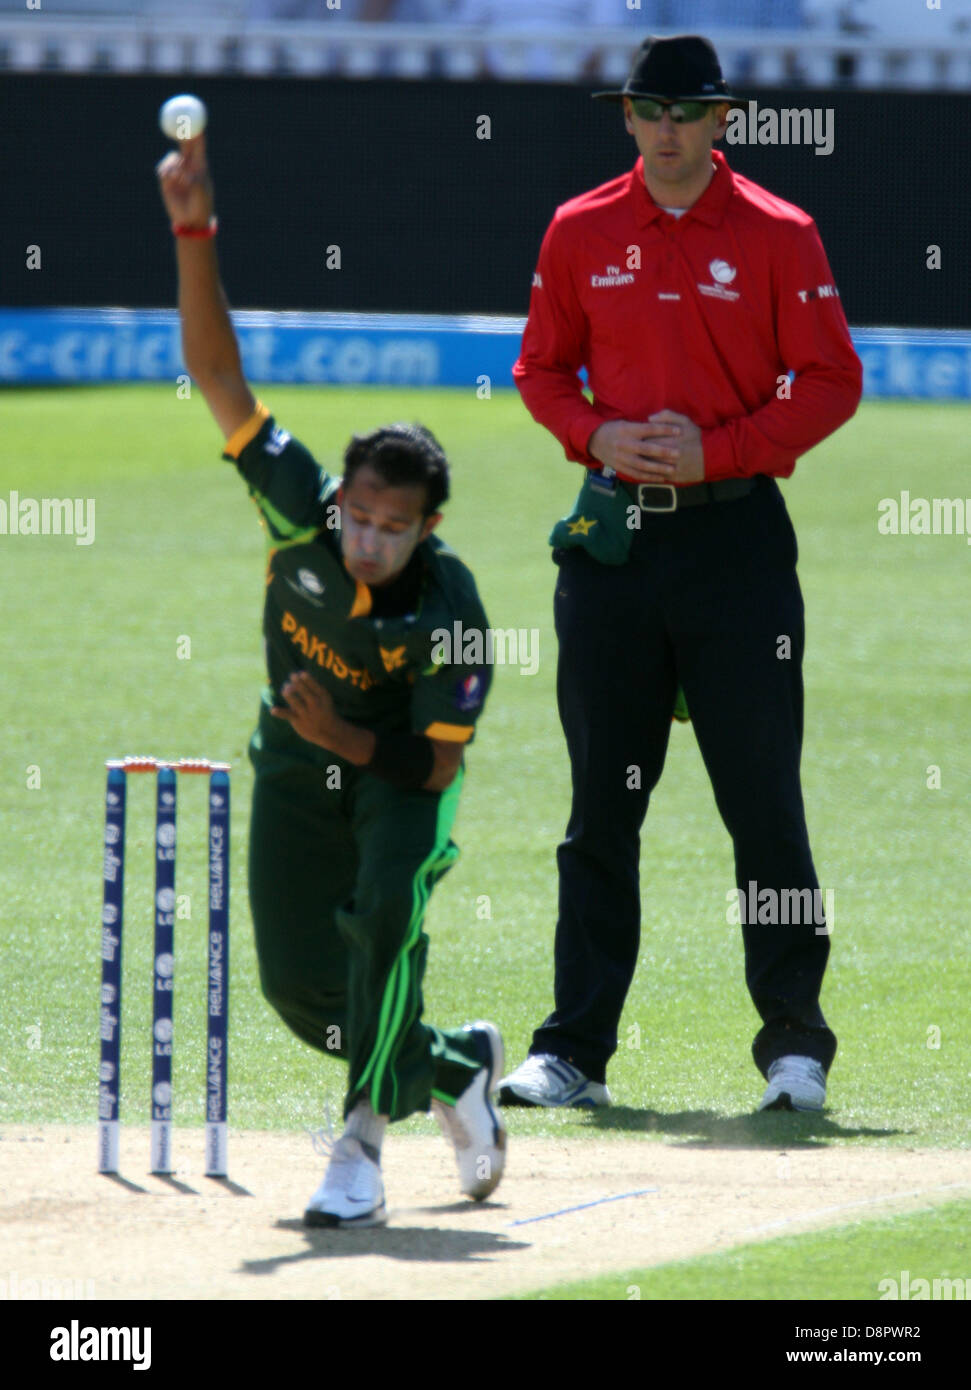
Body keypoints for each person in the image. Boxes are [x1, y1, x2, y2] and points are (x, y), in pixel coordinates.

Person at [499, 34, 863, 1114]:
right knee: (598, 813)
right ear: (625, 116)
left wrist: (723, 449)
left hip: (735, 544)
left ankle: (793, 1047)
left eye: (686, 111)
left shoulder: (777, 233)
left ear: (721, 121)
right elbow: (537, 369)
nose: (666, 128)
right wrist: (596, 436)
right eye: (648, 108)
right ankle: (573, 1052)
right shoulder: (578, 227)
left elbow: (831, 379)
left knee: (761, 804)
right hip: (612, 549)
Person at [155, 130, 505, 1226]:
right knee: (302, 986)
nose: (363, 540)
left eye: (390, 528)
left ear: (427, 528)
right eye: (355, 514)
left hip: (400, 784)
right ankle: (453, 1068)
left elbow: (432, 759)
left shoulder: (451, 617)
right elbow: (216, 373)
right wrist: (192, 226)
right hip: (295, 771)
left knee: (382, 927)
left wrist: (352, 742)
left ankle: (359, 1143)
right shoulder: (298, 514)